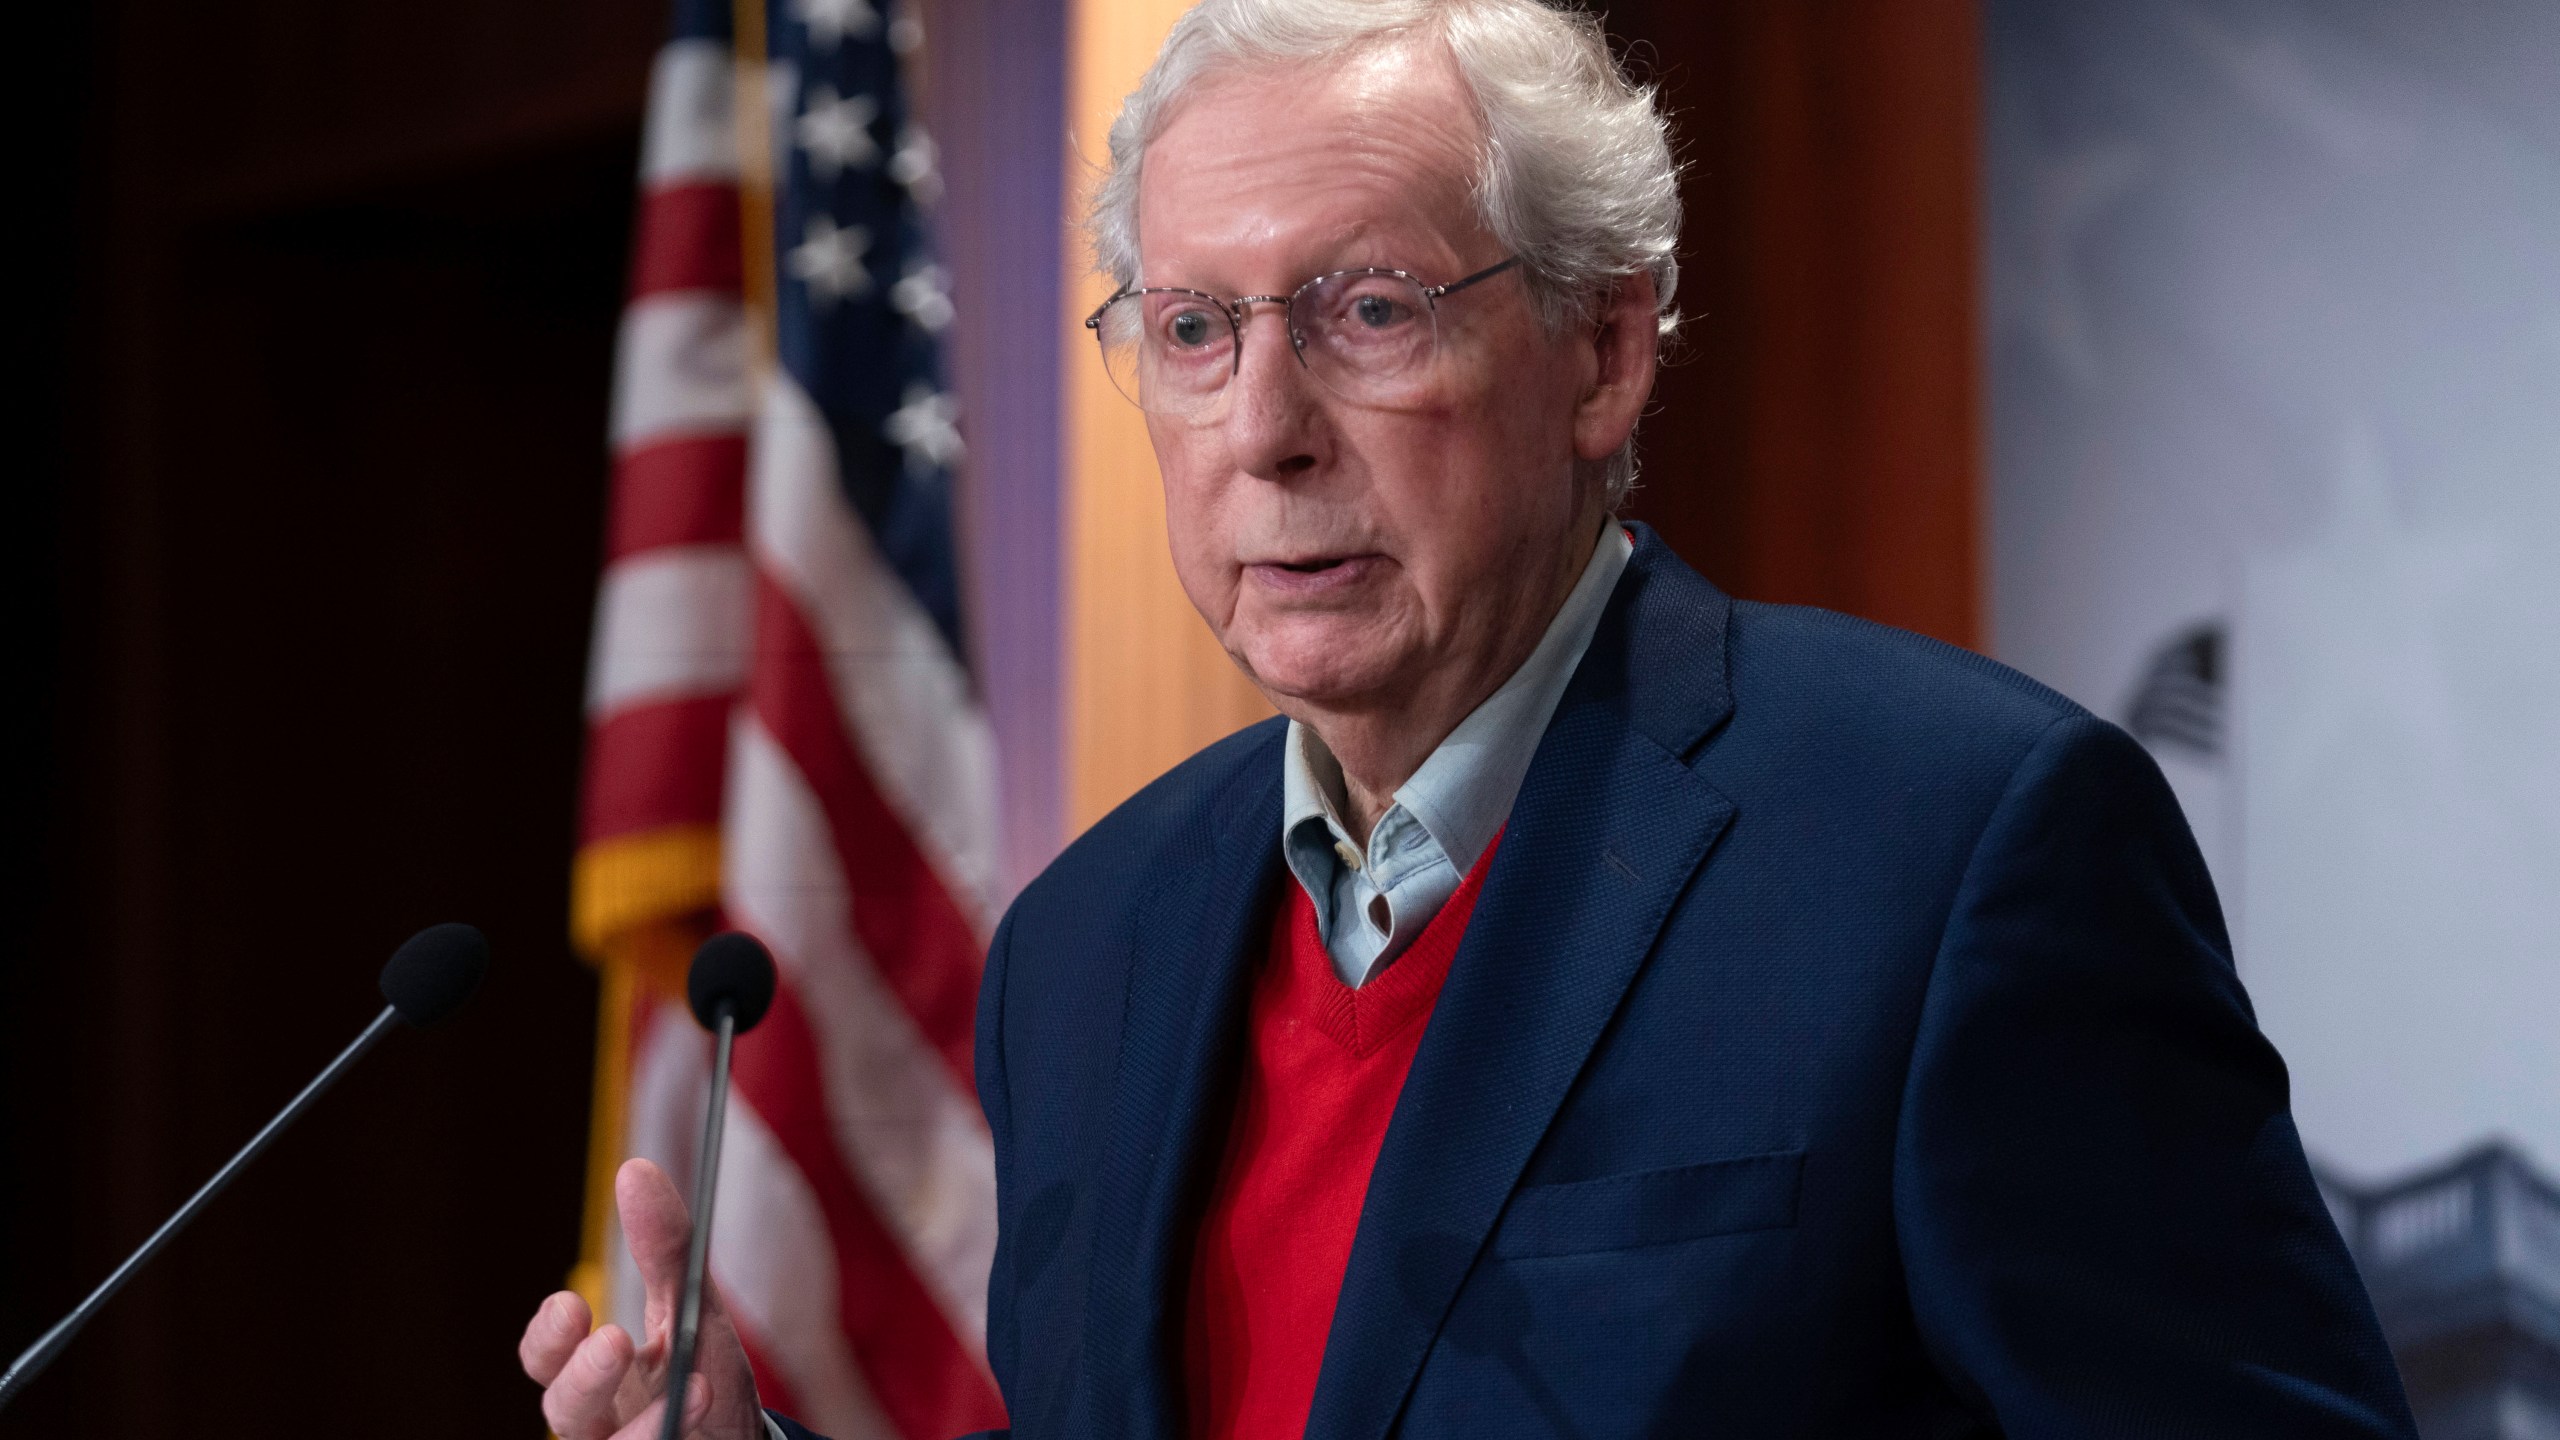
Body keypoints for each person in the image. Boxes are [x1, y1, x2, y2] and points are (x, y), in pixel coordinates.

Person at [522, 0, 2419, 1435]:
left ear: (1604, 352)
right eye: (1192, 330)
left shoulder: (1952, 848)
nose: (1262, 432)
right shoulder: (1084, 947)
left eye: (1364, 313)